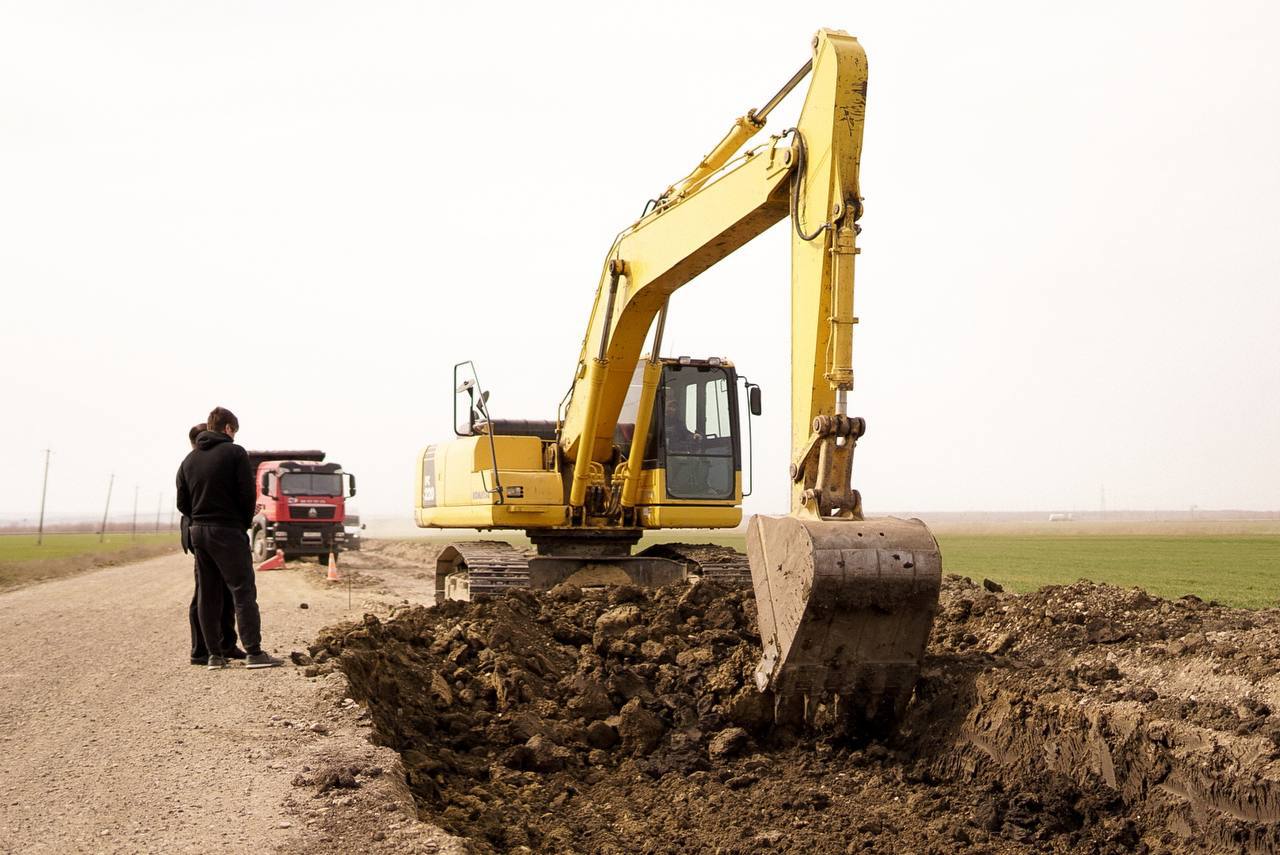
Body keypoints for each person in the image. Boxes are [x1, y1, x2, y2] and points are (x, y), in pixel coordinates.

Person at [176, 407, 282, 670]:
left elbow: (182, 502)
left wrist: (200, 518)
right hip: (227, 531)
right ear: (227, 428)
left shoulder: (188, 461)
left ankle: (214, 656)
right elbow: (247, 494)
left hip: (198, 531)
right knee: (242, 590)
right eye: (234, 430)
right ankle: (254, 653)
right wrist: (243, 522)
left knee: (208, 594)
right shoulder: (235, 452)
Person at [183, 423, 243, 666]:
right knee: (204, 595)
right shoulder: (192, 463)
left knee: (225, 592)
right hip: (202, 530)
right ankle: (201, 650)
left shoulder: (200, 462)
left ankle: (226, 643)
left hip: (205, 529)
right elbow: (185, 502)